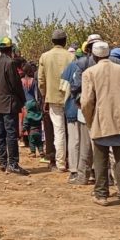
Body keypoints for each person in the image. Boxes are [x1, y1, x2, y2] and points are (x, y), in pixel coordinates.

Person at [81, 41, 120, 208]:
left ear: (94, 55)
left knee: (100, 160)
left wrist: (90, 120)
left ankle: (101, 194)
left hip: (101, 121)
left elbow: (86, 102)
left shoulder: (89, 72)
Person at [62, 34, 101, 184]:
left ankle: (82, 176)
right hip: (102, 110)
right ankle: (100, 175)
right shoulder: (113, 64)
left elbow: (74, 87)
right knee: (100, 144)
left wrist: (80, 103)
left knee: (84, 144)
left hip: (85, 110)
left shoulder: (81, 63)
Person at [38, 29, 75, 172]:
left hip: (52, 98)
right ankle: (72, 162)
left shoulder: (45, 57)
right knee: (71, 131)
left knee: (58, 131)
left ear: (52, 41)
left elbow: (41, 80)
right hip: (69, 98)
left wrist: (44, 96)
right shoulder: (71, 57)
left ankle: (60, 164)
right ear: (65, 41)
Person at [0, 37, 28, 175]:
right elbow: (15, 84)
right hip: (9, 104)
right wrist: (22, 99)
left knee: (0, 134)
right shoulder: (10, 63)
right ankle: (13, 163)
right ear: (10, 49)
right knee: (11, 134)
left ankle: (1, 162)